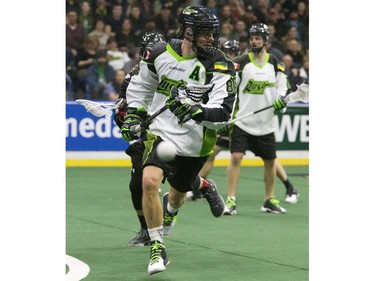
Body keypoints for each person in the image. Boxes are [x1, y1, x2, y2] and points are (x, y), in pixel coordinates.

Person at [120, 5, 236, 275]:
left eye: (212, 34)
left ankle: (173, 209)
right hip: (161, 131)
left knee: (179, 191)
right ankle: (157, 247)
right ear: (187, 31)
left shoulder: (220, 65)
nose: (210, 39)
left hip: (196, 141)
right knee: (148, 181)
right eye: (204, 33)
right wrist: (133, 116)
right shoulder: (159, 54)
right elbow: (141, 88)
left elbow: (223, 114)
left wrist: (196, 111)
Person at [225, 23, 299, 216]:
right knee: (236, 157)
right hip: (242, 120)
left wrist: (281, 100)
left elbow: (283, 88)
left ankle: (269, 199)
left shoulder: (275, 64)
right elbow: (230, 89)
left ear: (266, 41)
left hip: (265, 124)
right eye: (252, 37)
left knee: (270, 161)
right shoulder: (241, 63)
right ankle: (231, 199)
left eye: (258, 37)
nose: (254, 40)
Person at [114, 32, 166, 246]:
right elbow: (121, 108)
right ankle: (146, 230)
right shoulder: (133, 75)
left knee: (183, 180)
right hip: (144, 138)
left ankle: (206, 187)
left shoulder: (174, 70)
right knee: (137, 185)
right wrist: (121, 117)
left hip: (168, 132)